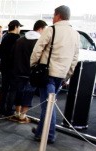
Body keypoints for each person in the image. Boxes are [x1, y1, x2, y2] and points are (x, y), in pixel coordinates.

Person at [30, 5, 80, 144]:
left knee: (48, 106)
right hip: (61, 75)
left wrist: (33, 65)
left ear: (58, 16)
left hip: (47, 74)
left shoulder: (51, 29)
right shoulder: (75, 34)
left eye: (53, 15)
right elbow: (75, 58)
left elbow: (37, 49)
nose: (52, 18)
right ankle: (40, 132)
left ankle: (49, 135)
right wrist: (67, 75)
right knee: (48, 104)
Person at [10, 20, 48, 123]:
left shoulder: (20, 40)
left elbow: (12, 56)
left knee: (18, 93)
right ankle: (23, 116)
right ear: (40, 28)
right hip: (30, 73)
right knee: (28, 94)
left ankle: (16, 113)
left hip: (17, 72)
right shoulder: (39, 43)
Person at [0, 20, 23, 117]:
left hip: (4, 66)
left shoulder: (5, 37)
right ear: (15, 27)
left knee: (4, 88)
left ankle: (1, 109)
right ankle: (8, 110)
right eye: (19, 27)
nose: (19, 29)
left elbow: (0, 51)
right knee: (12, 90)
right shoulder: (17, 39)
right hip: (13, 68)